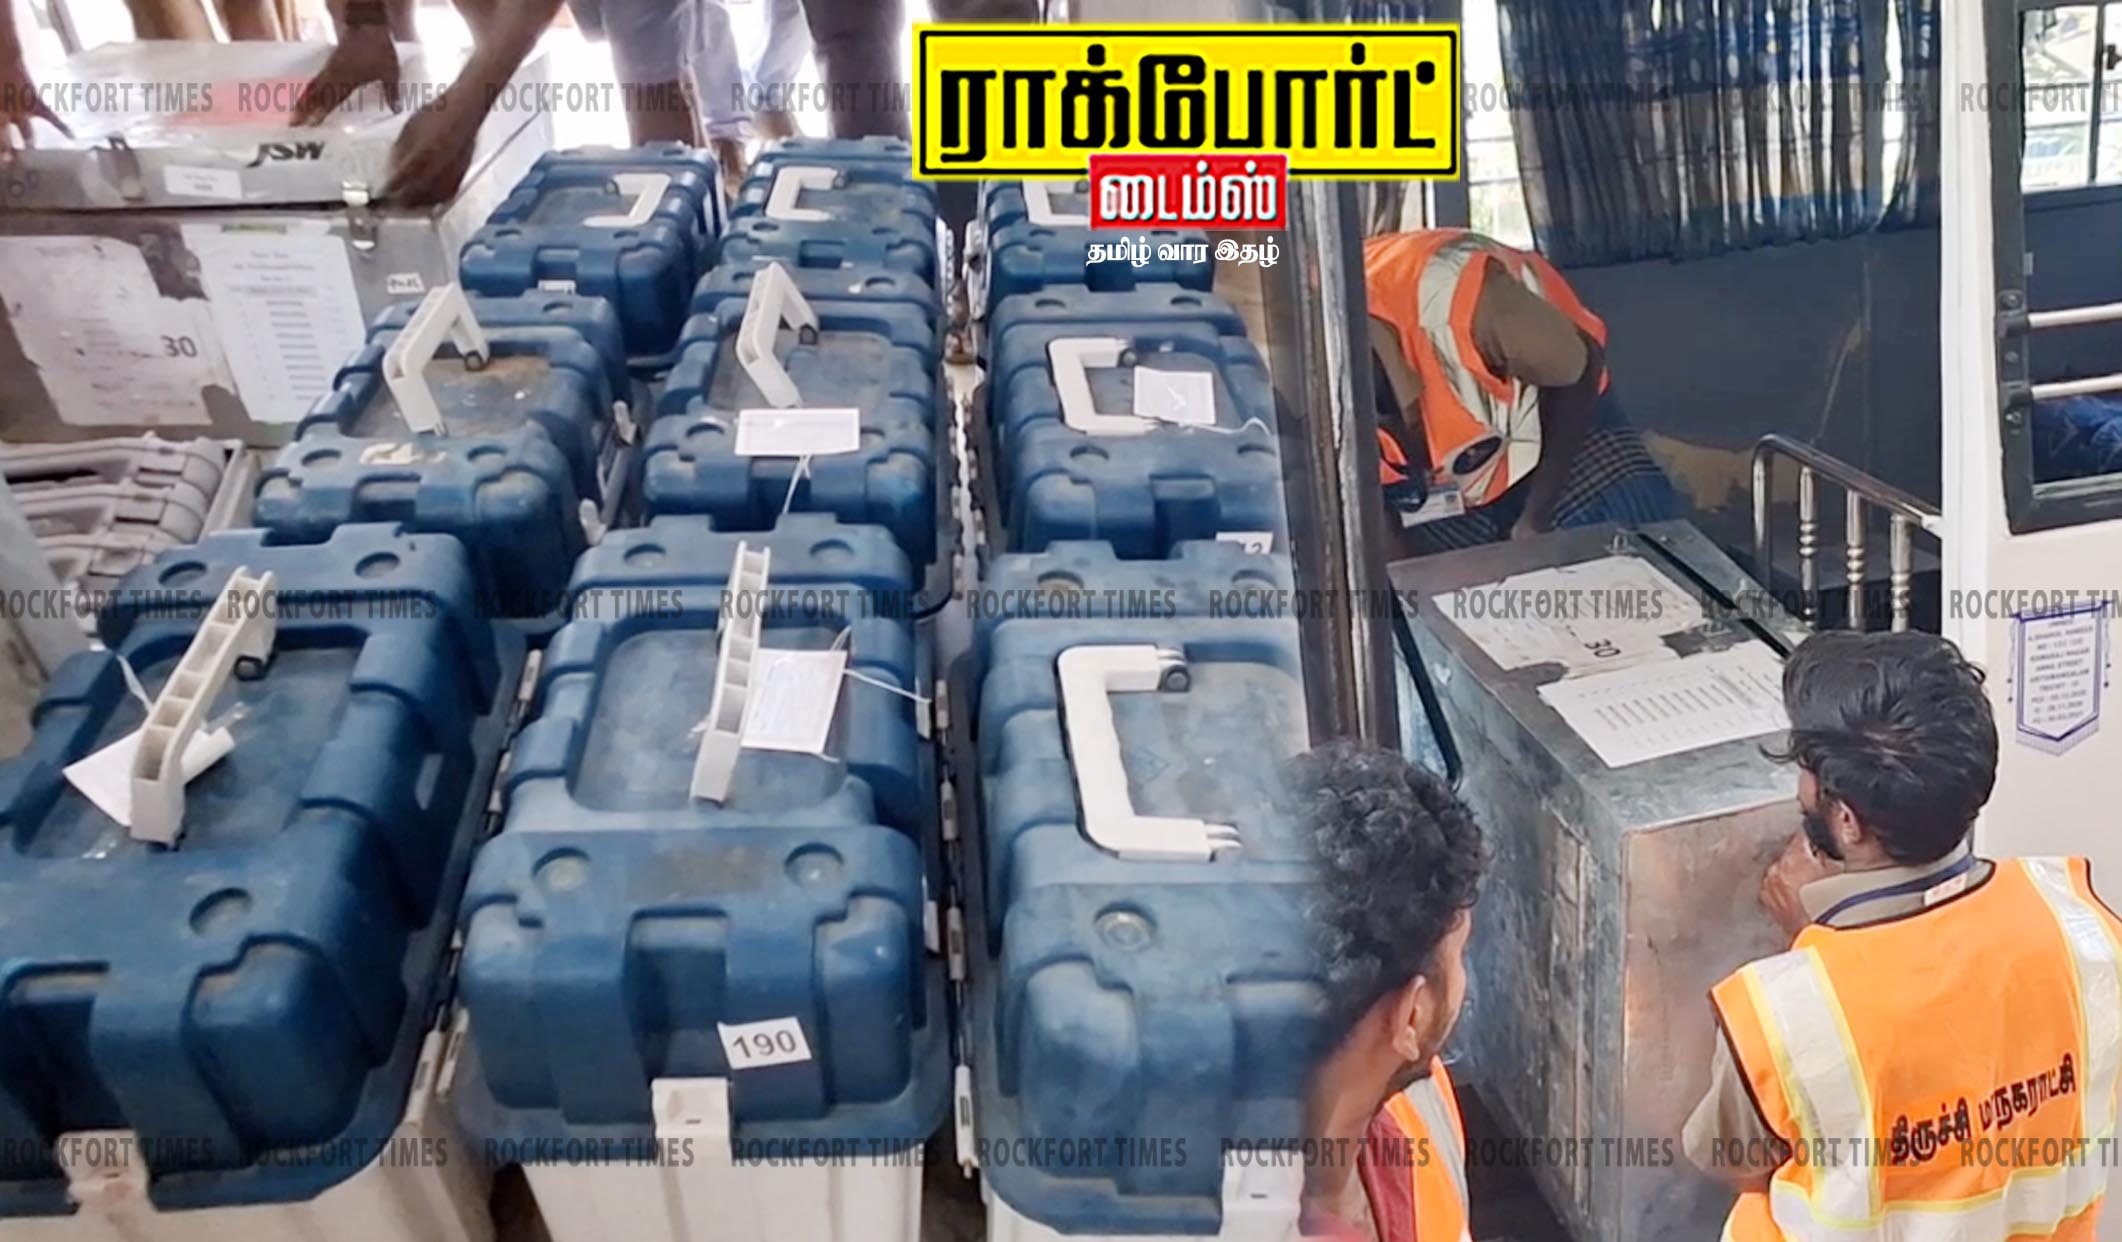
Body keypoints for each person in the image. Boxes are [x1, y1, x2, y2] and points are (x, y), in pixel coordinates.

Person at [1686, 630, 2122, 1240]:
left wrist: (1811, 942)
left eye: (1808, 775)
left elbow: (1733, 1163)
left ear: (1847, 821)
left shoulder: (1781, 1014)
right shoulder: (2082, 927)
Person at [1364, 229, 1680, 554]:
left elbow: (1582, 363)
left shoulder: (1463, 304)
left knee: (1621, 550)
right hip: (1462, 478)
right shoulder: (1336, 397)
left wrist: (1535, 518)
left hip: (1564, 416)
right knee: (1460, 573)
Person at [1287, 741, 1483, 1242]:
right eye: (1459, 954)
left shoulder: (1418, 1101)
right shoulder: (1419, 1110)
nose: (1463, 983)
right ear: (1412, 1015)